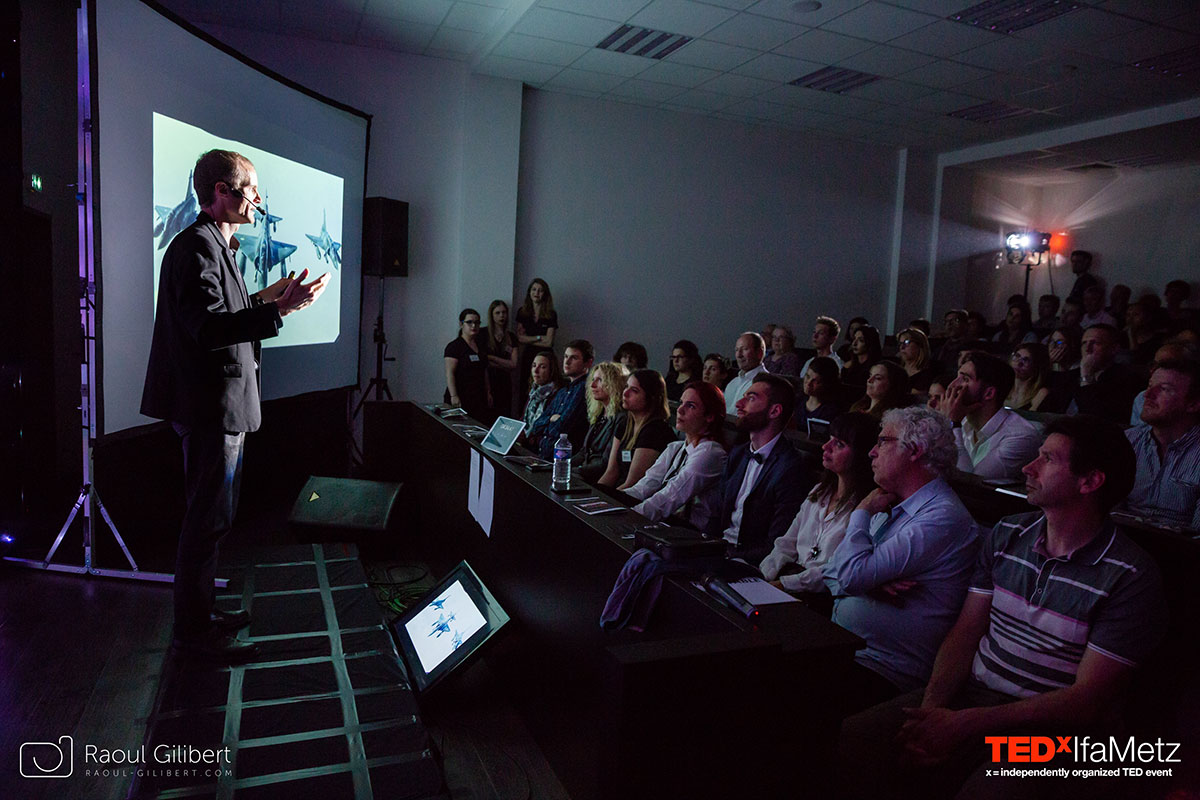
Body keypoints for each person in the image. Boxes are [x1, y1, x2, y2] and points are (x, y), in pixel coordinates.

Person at [838, 416, 1167, 800]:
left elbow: (1086, 702)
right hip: (976, 695)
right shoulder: (1010, 533)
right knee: (857, 738)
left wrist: (964, 725)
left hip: (1058, 731)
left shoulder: (1129, 575)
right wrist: (931, 713)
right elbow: (965, 632)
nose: (1029, 467)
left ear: (1090, 481)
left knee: (987, 791)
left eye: (1047, 459)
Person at [141, 149, 330, 661]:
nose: (258, 199)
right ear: (221, 192)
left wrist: (275, 299)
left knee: (213, 521)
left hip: (218, 409)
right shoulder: (196, 248)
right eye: (250, 189)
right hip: (208, 410)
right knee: (205, 522)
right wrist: (279, 310)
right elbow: (209, 328)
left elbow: (232, 312)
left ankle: (200, 616)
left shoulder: (215, 246)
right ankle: (192, 634)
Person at [824, 406, 980, 703]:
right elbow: (833, 571)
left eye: (883, 441)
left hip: (885, 671)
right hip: (848, 651)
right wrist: (869, 582)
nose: (872, 452)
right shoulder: (892, 500)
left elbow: (850, 575)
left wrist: (861, 514)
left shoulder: (941, 518)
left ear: (915, 451)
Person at [760, 412, 879, 595]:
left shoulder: (867, 507)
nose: (826, 446)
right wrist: (765, 577)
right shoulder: (819, 491)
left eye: (839, 444)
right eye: (829, 439)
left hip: (819, 597)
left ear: (862, 454)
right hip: (785, 582)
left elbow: (834, 570)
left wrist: (783, 585)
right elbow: (786, 543)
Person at [707, 373, 811, 564]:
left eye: (751, 398)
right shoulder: (738, 455)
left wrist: (729, 558)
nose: (739, 404)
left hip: (749, 563)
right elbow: (715, 516)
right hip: (718, 550)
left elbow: (776, 544)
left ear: (774, 411)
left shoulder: (791, 468)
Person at [623, 382, 728, 530]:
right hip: (668, 525)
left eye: (690, 406)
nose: (679, 410)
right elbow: (645, 486)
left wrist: (628, 516)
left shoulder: (710, 453)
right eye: (681, 403)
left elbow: (671, 496)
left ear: (710, 416)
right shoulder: (676, 447)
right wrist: (613, 501)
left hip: (692, 534)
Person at [1122, 359, 1200, 530]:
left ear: (1193, 404)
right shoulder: (1127, 441)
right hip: (1123, 541)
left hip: (1180, 550)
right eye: (1149, 385)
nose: (1147, 394)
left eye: (1164, 389)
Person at [940, 352, 1040, 482]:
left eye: (965, 379)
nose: (952, 385)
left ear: (989, 393)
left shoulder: (1021, 436)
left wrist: (952, 423)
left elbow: (970, 482)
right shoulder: (962, 422)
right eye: (957, 376)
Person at [598, 369, 676, 490]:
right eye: (626, 387)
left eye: (634, 391)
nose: (625, 393)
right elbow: (611, 472)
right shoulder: (625, 423)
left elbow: (633, 484)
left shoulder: (655, 431)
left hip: (635, 499)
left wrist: (604, 502)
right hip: (619, 492)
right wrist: (595, 495)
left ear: (651, 398)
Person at [1061, 324, 1142, 424]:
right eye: (1084, 343)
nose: (1087, 348)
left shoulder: (1127, 378)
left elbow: (1096, 417)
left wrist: (1086, 375)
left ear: (1114, 349)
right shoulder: (1070, 375)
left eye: (1095, 343)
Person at [530, 340, 593, 460]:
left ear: (588, 363)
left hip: (562, 461)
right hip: (543, 456)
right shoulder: (562, 391)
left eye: (574, 358)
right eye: (565, 357)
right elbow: (536, 426)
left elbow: (563, 427)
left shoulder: (584, 389)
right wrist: (550, 418)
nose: (567, 362)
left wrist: (550, 422)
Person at [573, 361, 628, 483]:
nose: (592, 385)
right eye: (593, 379)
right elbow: (584, 452)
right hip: (584, 473)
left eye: (600, 380)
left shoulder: (621, 418)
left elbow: (604, 464)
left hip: (595, 479)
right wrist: (561, 465)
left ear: (614, 384)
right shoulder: (599, 414)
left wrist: (574, 471)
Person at [444, 308, 491, 419]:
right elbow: (449, 373)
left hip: (478, 396)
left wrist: (488, 392)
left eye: (477, 322)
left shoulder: (481, 346)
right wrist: (454, 395)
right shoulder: (454, 346)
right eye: (469, 322)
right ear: (461, 324)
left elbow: (484, 371)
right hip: (461, 395)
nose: (473, 326)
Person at [515, 278, 558, 396]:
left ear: (545, 294)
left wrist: (528, 339)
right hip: (528, 356)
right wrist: (539, 337)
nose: (536, 293)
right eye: (534, 289)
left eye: (540, 290)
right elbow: (519, 338)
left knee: (545, 390)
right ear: (529, 292)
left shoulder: (551, 314)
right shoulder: (523, 312)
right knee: (526, 390)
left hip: (546, 357)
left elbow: (549, 342)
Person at [483, 299, 519, 419]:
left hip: (505, 382)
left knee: (504, 415)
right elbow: (483, 362)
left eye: (504, 312)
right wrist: (504, 364)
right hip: (487, 380)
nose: (501, 316)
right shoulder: (483, 334)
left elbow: (513, 364)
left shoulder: (511, 337)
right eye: (497, 313)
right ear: (491, 315)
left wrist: (491, 357)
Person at [795, 356, 844, 433]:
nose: (808, 383)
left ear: (827, 384)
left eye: (816, 381)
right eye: (807, 376)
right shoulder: (797, 401)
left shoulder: (832, 412)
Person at [723, 332, 768, 415]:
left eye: (745, 349)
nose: (739, 355)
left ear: (759, 353)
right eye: (737, 350)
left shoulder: (766, 383)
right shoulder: (733, 383)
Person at [523, 350, 562, 436]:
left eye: (542, 367)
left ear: (551, 371)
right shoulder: (533, 392)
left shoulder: (557, 395)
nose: (536, 370)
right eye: (534, 366)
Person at [1004, 342, 1053, 411]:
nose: (1019, 363)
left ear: (1036, 366)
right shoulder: (1002, 386)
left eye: (1026, 360)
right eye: (1017, 356)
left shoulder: (1040, 393)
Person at [1124, 296, 1166, 366]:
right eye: (1128, 315)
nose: (1130, 318)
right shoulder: (1121, 337)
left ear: (1148, 317)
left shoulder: (1157, 340)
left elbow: (1135, 361)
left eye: (1136, 315)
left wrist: (1132, 335)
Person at [842, 325, 882, 390]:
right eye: (854, 339)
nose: (854, 343)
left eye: (861, 340)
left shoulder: (876, 368)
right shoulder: (848, 366)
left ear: (869, 343)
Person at [896, 328, 935, 394]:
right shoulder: (896, 369)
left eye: (907, 342)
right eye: (900, 343)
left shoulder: (928, 374)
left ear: (920, 345)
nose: (902, 347)